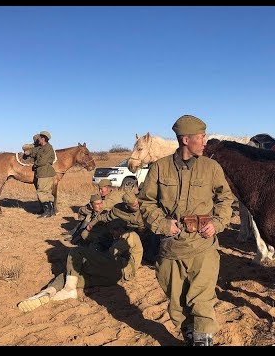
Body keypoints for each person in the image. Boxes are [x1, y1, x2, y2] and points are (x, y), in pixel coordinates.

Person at [138, 115, 234, 346]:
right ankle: (189, 334)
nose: (205, 142)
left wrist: (218, 223)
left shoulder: (211, 167)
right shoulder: (160, 168)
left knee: (202, 299)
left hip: (203, 245)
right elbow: (146, 202)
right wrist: (162, 224)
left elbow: (225, 199)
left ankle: (203, 339)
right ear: (185, 140)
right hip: (171, 247)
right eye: (201, 138)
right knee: (176, 302)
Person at [17, 193, 143, 312]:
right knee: (70, 275)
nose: (113, 233)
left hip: (120, 268)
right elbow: (89, 229)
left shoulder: (130, 235)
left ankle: (68, 288)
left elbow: (112, 254)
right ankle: (48, 292)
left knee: (76, 252)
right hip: (113, 278)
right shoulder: (100, 219)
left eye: (114, 230)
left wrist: (93, 256)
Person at [83, 191, 160, 264]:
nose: (138, 206)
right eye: (134, 205)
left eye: (137, 203)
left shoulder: (144, 207)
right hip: (127, 235)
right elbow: (104, 217)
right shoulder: (117, 209)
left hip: (145, 233)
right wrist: (91, 224)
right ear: (126, 206)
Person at [24, 131, 57, 218]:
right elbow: (35, 151)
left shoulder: (48, 148)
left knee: (41, 192)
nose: (37, 139)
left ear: (43, 138)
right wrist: (29, 152)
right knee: (47, 192)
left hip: (44, 173)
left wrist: (35, 164)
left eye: (39, 138)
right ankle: (51, 211)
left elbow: (42, 161)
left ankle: (46, 212)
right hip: (45, 172)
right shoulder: (41, 147)